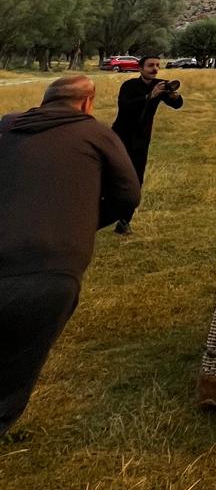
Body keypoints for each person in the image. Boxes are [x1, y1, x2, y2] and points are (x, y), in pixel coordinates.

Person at [0, 75, 141, 436]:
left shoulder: (6, 128)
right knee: (19, 361)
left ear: (45, 100)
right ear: (87, 103)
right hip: (51, 267)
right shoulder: (97, 134)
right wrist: (81, 223)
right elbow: (128, 196)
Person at [110, 52, 183, 234]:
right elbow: (125, 107)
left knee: (136, 179)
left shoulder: (160, 85)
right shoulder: (129, 85)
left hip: (141, 139)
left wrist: (174, 96)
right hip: (121, 136)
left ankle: (124, 221)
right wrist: (149, 96)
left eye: (158, 65)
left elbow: (177, 105)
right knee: (113, 175)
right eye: (151, 65)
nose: (155, 69)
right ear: (140, 68)